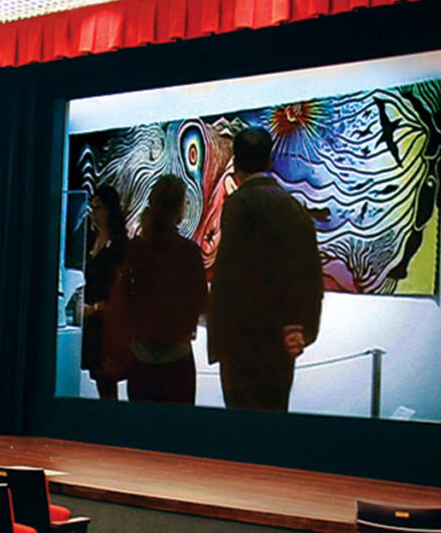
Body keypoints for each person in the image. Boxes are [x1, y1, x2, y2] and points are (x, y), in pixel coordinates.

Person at [207, 125, 323, 412]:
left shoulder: (239, 205)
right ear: (269, 160)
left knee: (242, 426)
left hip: (242, 345)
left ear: (236, 162)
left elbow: (229, 278)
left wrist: (218, 339)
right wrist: (304, 330)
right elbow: (311, 278)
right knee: (274, 420)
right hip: (281, 343)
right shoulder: (295, 209)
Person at [115, 174, 207, 404]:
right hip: (177, 358)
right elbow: (201, 301)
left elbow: (125, 298)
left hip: (140, 356)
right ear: (179, 207)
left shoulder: (136, 249)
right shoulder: (188, 252)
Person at [80, 184, 129, 399]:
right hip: (91, 322)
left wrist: (96, 308)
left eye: (98, 208)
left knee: (108, 380)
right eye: (92, 208)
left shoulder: (119, 246)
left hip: (108, 323)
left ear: (110, 210)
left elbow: (120, 290)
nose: (93, 213)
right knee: (100, 379)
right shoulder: (90, 240)